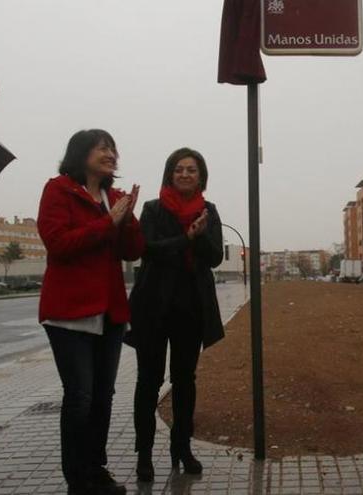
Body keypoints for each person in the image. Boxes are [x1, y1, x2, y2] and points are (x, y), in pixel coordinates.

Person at [37, 129, 145, 495]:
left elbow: (132, 251)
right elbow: (59, 244)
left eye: (113, 148)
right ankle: (78, 478)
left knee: (103, 396)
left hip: (110, 312)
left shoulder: (113, 197)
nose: (110, 153)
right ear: (80, 153)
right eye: (102, 148)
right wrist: (108, 222)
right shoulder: (58, 190)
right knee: (80, 396)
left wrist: (127, 218)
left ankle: (96, 469)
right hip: (68, 313)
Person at [127, 148, 225, 482]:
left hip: (191, 310)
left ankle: (181, 447)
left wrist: (198, 239)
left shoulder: (209, 212)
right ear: (170, 174)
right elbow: (148, 249)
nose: (185, 174)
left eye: (192, 170)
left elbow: (214, 258)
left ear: (201, 177)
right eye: (179, 169)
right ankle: (144, 454)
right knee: (148, 382)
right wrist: (187, 238)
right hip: (153, 308)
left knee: (185, 382)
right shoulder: (153, 209)